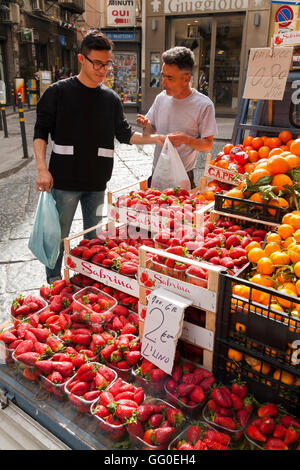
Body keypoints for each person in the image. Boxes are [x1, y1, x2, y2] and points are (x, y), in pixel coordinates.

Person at [33, 29, 164, 284]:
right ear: (82, 59)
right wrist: (41, 168)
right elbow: (41, 132)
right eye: (97, 63)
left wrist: (153, 138)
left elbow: (124, 135)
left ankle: (87, 280)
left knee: (94, 239)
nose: (103, 69)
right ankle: (53, 281)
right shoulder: (58, 92)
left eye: (107, 64)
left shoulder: (111, 99)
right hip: (64, 181)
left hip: (97, 183)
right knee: (58, 235)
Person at [137, 46, 217, 189]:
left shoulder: (204, 105)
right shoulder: (160, 98)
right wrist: (146, 125)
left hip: (183, 176)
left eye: (170, 78)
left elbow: (207, 145)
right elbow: (150, 133)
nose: (163, 83)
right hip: (157, 172)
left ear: (186, 78)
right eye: (163, 76)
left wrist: (186, 139)